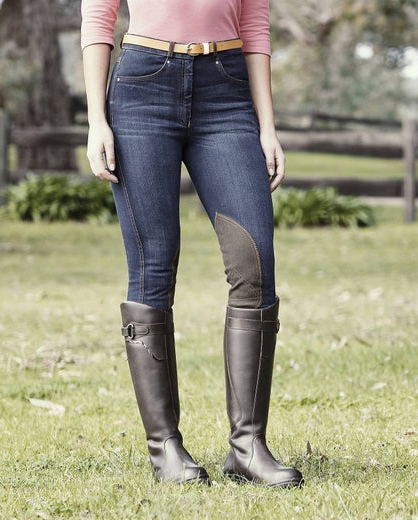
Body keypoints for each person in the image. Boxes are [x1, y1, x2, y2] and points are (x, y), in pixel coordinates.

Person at [80, 0, 303, 488]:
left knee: (254, 264)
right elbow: (98, 15)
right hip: (141, 88)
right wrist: (97, 119)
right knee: (153, 265)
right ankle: (165, 448)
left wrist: (267, 127)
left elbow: (255, 26)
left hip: (225, 91)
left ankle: (247, 446)